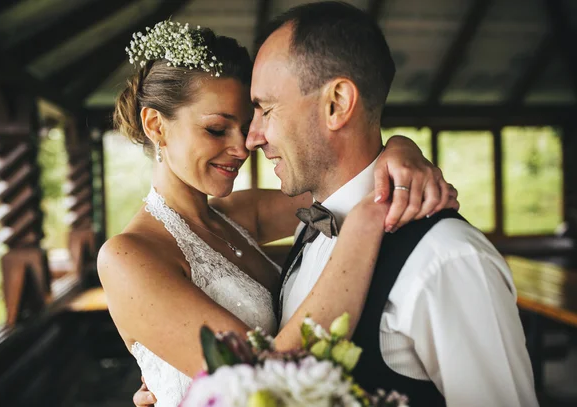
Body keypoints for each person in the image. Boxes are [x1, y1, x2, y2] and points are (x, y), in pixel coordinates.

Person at [133, 2, 539, 407]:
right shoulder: (311, 225)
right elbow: (261, 379)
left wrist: (399, 148)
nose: (249, 141)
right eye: (220, 128)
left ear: (337, 103)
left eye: (264, 110)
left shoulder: (447, 259)